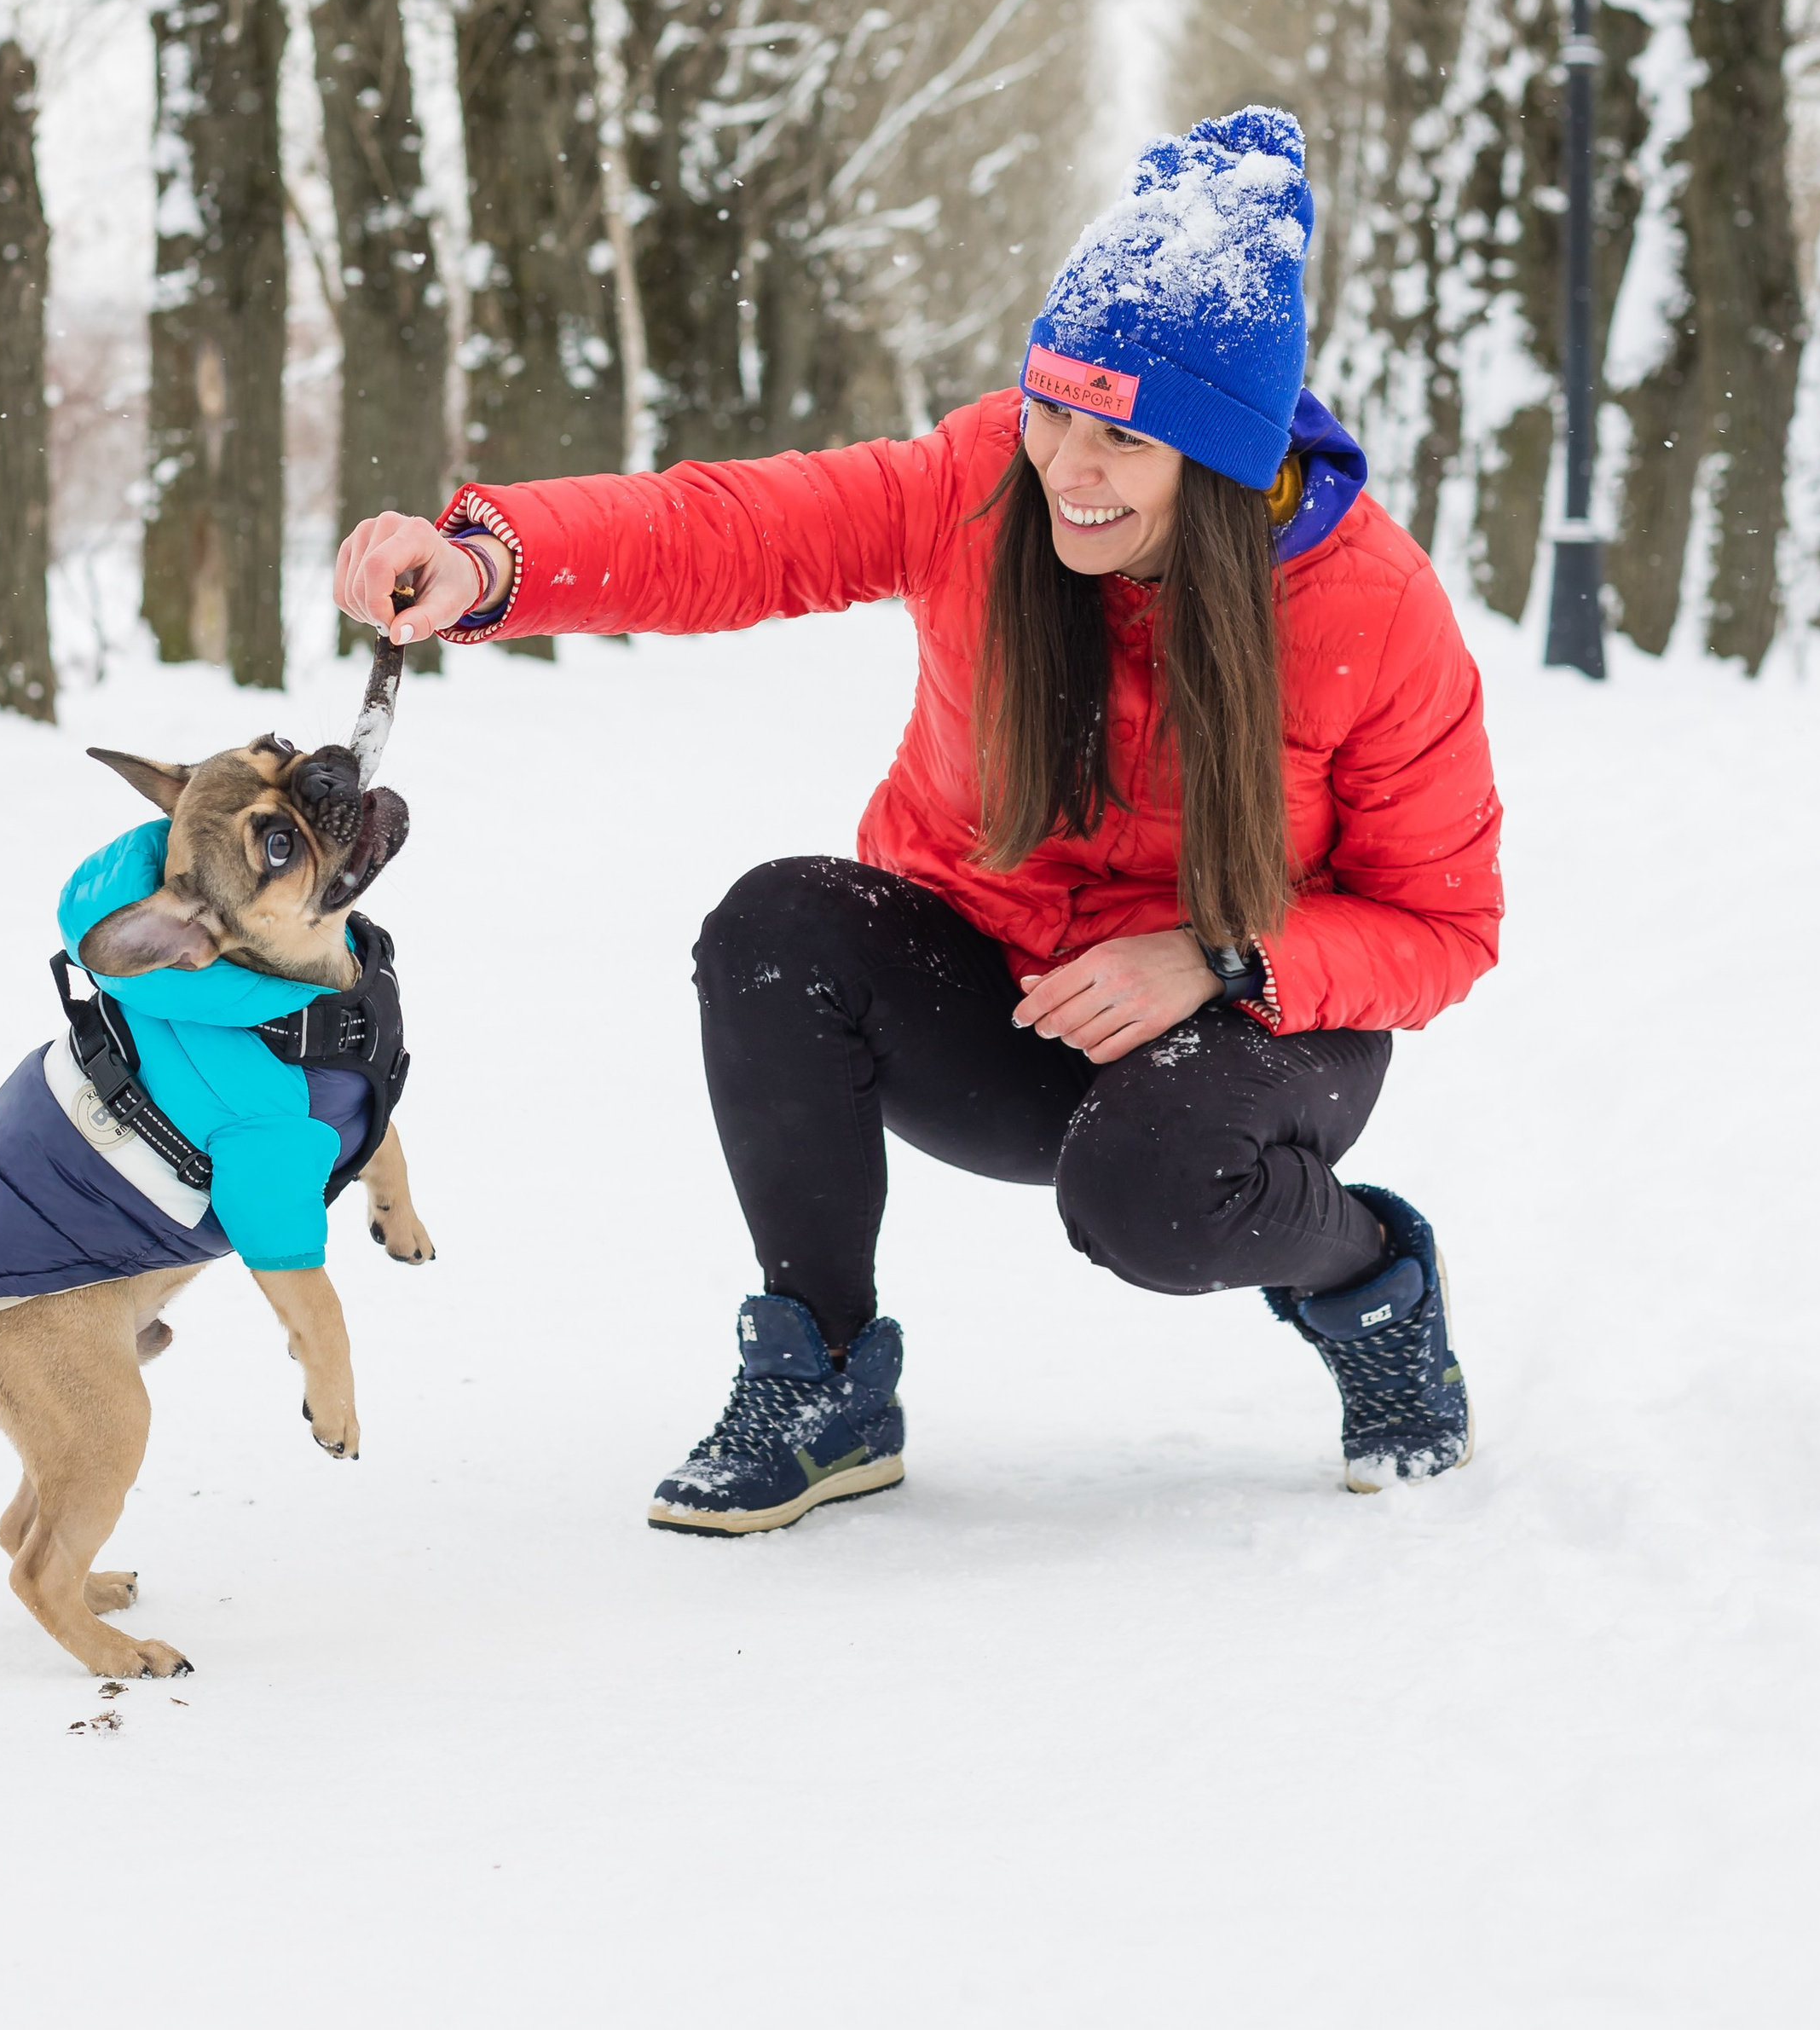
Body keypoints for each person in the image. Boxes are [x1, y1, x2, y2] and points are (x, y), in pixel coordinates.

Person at [334, 108, 1501, 1530]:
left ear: (1227, 458)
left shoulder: (1372, 612)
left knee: (1150, 1192)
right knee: (775, 928)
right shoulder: (983, 483)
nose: (1069, 467)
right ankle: (824, 1375)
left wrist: (1217, 959)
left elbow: (1441, 924)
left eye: (1123, 439)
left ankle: (1374, 1288)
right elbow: (737, 529)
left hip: (1252, 1027)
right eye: (1054, 412)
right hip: (1001, 992)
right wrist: (489, 562)